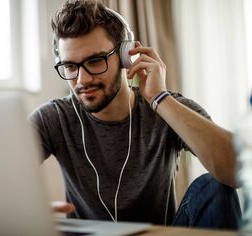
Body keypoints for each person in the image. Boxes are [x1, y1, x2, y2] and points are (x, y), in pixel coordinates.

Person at [29, 0, 241, 229]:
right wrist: (25, 210)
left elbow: (237, 171)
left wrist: (160, 99)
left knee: (214, 186)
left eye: (95, 61)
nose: (82, 80)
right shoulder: (54, 117)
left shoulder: (168, 107)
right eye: (70, 66)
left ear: (126, 56)